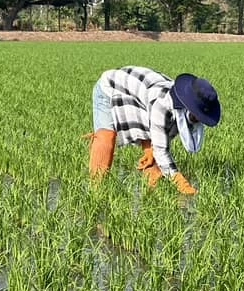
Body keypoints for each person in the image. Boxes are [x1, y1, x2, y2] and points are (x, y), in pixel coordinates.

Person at [87, 66, 221, 196]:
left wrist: (153, 151)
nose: (198, 121)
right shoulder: (162, 105)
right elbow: (161, 150)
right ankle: (96, 192)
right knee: (106, 140)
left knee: (154, 156)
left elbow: (163, 131)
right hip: (111, 87)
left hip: (141, 98)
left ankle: (150, 193)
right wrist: (181, 183)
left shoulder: (182, 107)